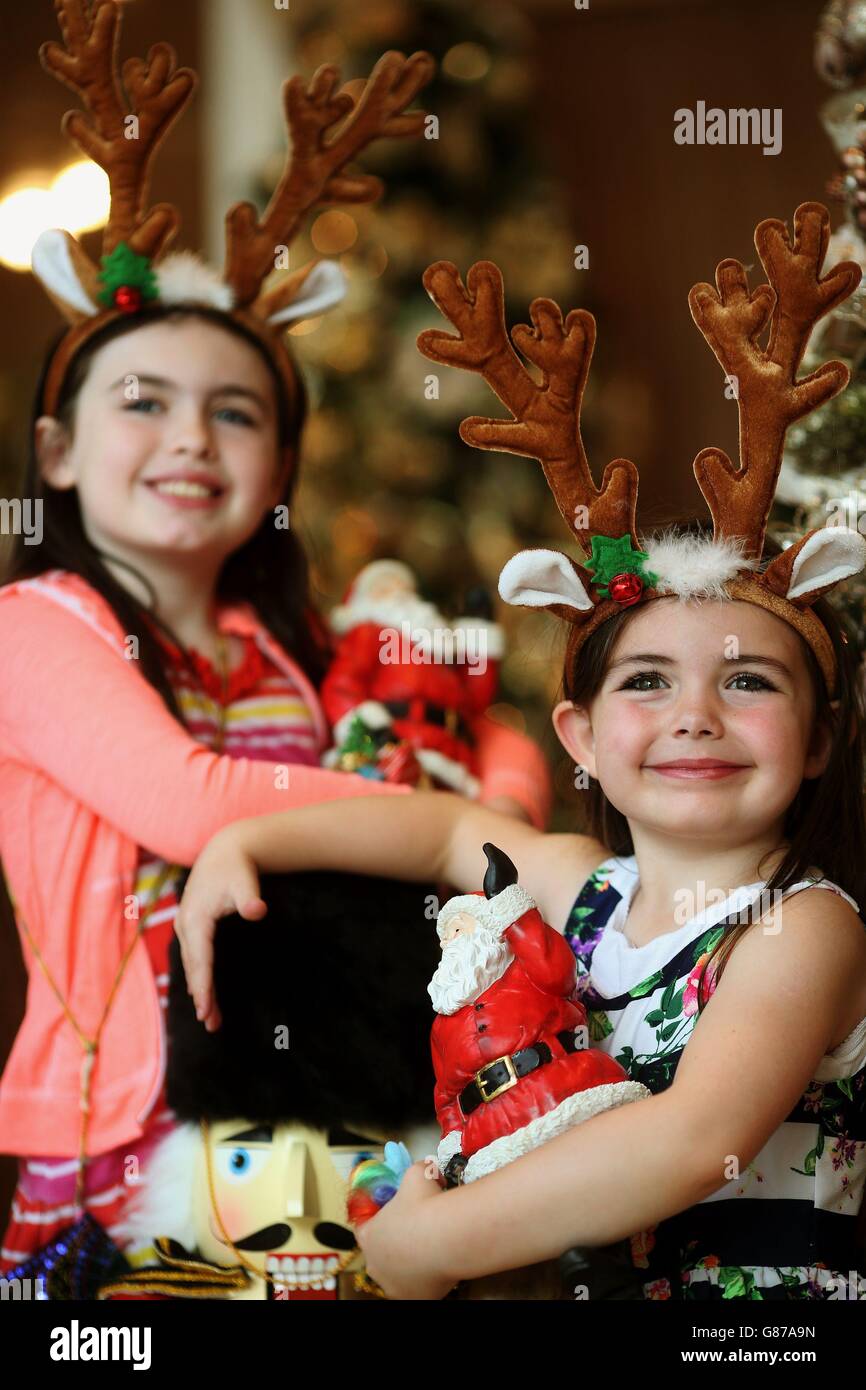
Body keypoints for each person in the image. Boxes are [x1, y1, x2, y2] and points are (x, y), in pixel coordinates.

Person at [175, 215, 866, 1300]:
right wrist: (246, 834)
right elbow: (445, 828)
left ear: (819, 736)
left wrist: (429, 1246)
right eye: (644, 681)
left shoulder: (802, 926)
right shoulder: (587, 895)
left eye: (746, 680)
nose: (694, 713)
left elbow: (690, 1139)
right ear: (579, 740)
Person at [0, 12, 548, 1276]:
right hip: (132, 1113)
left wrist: (497, 801)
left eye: (234, 412)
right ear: (59, 453)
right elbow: (187, 802)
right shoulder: (38, 631)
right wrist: (440, 834)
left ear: (279, 469)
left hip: (331, 1095)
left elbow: (492, 738)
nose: (191, 438)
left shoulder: (294, 641)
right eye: (143, 402)